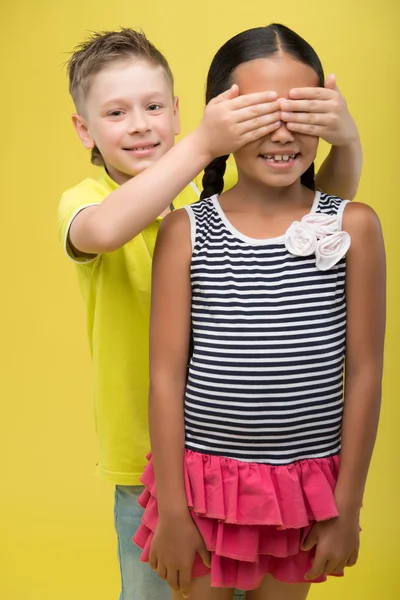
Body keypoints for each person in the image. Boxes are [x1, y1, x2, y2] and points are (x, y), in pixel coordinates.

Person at [58, 28, 363, 600]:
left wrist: (344, 142)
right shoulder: (86, 200)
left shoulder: (208, 191)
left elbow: (316, 216)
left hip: (226, 453)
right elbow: (102, 232)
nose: (141, 124)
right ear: (84, 128)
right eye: (117, 112)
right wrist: (202, 143)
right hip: (142, 457)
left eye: (153, 107)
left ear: (177, 112)